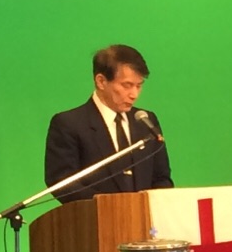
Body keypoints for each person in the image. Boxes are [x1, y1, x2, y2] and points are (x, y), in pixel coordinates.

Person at [44, 44, 173, 203]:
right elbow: (62, 183)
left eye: (139, 86)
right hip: (96, 216)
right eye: (127, 85)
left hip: (144, 216)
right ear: (101, 81)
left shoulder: (146, 121)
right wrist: (110, 206)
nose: (134, 94)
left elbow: (162, 178)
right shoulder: (69, 124)